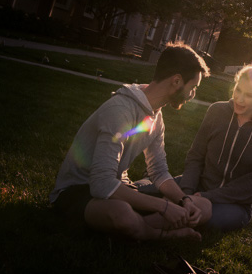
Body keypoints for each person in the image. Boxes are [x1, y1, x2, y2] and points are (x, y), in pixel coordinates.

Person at [49, 43, 210, 241]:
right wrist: (164, 206)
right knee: (122, 213)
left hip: (118, 188)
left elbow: (158, 171)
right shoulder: (120, 109)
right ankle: (158, 233)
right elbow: (101, 184)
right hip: (78, 191)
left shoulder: (155, 117)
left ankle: (135, 228)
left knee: (203, 206)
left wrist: (183, 201)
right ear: (176, 81)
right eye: (192, 87)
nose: (192, 95)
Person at [178, 65, 252, 232]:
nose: (239, 99)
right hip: (198, 186)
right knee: (151, 192)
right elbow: (196, 156)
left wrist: (205, 197)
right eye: (238, 90)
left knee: (207, 219)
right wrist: (187, 192)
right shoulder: (216, 111)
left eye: (248, 95)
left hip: (235, 204)